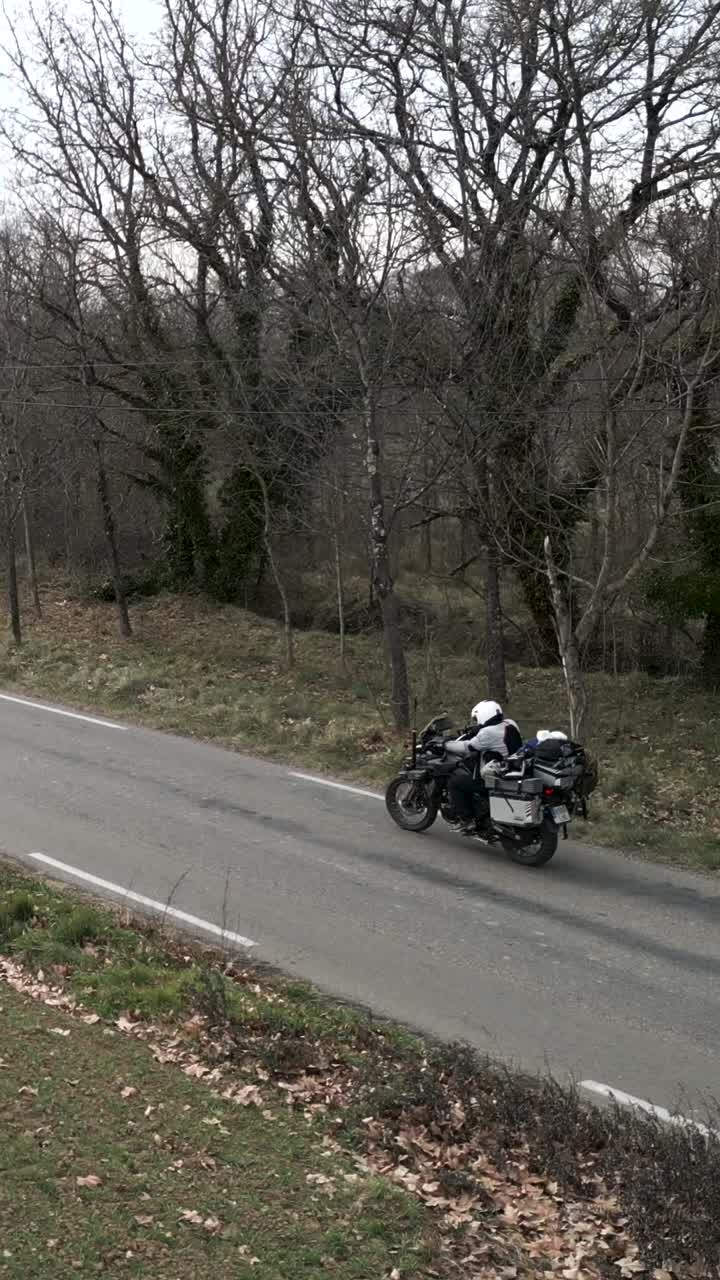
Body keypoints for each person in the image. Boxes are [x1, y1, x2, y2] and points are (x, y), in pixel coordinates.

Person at [445, 700, 523, 834]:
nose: (476, 721)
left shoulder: (488, 733)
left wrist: (446, 744)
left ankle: (467, 820)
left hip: (496, 775)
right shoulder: (510, 724)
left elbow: (467, 747)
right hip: (513, 767)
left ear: (484, 715)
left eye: (476, 719)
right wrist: (476, 730)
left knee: (455, 782)